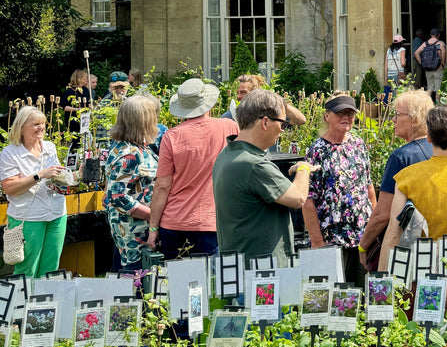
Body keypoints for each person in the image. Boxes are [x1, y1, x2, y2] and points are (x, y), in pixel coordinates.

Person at [378, 104, 447, 269]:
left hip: (415, 277)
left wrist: (382, 281)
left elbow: (393, 234)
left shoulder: (406, 178)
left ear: (429, 137)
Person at [212, 89, 313, 262]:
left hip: (239, 262)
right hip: (261, 273)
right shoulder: (253, 164)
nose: (282, 131)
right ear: (265, 122)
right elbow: (297, 199)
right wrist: (304, 168)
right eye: (282, 124)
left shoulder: (228, 153)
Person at [148, 78, 238, 260]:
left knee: (176, 282)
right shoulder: (228, 127)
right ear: (208, 104)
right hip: (213, 221)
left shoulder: (171, 136)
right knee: (213, 282)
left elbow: (162, 186)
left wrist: (152, 228)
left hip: (175, 222)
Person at [303, 94, 377, 286]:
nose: (346, 117)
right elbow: (308, 199)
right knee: (336, 298)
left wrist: (376, 228)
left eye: (350, 114)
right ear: (327, 116)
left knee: (363, 294)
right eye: (341, 113)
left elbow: (369, 187)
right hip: (332, 239)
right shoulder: (317, 151)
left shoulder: (358, 145)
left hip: (362, 237)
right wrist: (317, 242)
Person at [358, 89, 433, 270]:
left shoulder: (401, 157)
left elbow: (383, 214)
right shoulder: (439, 151)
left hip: (406, 250)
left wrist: (363, 246)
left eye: (398, 115)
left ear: (414, 120)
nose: (393, 120)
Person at [0, 107, 67, 277]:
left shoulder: (50, 147)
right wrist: (39, 175)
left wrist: (70, 177)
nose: (41, 128)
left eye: (43, 123)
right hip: (28, 217)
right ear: (21, 127)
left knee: (51, 268)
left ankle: (45, 303)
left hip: (57, 213)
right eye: (36, 124)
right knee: (26, 269)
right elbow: (9, 188)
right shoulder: (10, 153)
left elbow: (54, 176)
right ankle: (20, 303)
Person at [104, 96, 159, 271]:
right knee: (137, 278)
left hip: (137, 226)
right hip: (135, 230)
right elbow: (117, 196)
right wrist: (152, 216)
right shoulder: (130, 153)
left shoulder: (129, 146)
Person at [93, 71, 130, 150]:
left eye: (122, 87)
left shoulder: (129, 104)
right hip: (107, 148)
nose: (119, 90)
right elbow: (103, 135)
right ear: (110, 87)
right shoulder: (104, 105)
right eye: (116, 88)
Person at [415, 28, 446, 103]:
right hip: (438, 69)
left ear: (430, 35)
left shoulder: (425, 43)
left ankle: (427, 105)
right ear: (438, 35)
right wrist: (442, 63)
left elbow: (416, 53)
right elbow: (443, 52)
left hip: (428, 69)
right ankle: (437, 106)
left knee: (430, 88)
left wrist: (421, 63)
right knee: (438, 89)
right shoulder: (440, 43)